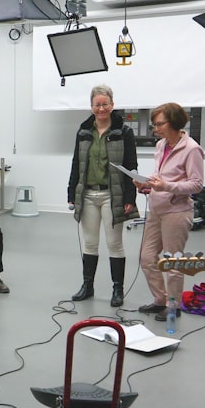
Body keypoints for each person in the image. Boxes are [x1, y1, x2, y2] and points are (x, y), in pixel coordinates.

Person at [66, 84, 139, 307]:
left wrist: (129, 197)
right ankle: (87, 286)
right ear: (91, 107)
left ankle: (118, 290)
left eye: (105, 104)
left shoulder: (123, 132)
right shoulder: (83, 132)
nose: (101, 108)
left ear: (112, 105)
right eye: (97, 105)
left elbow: (131, 165)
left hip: (112, 195)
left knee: (114, 244)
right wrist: (71, 191)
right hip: (87, 194)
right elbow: (76, 163)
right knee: (90, 243)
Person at [133, 102, 204, 322]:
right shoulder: (161, 145)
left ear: (173, 122)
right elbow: (160, 176)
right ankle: (160, 300)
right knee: (146, 258)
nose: (155, 128)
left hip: (177, 211)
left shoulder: (191, 148)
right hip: (157, 208)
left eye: (159, 124)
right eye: (154, 124)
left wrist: (167, 187)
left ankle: (174, 306)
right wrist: (146, 185)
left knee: (173, 263)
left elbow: (197, 184)